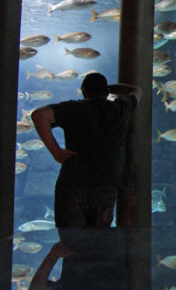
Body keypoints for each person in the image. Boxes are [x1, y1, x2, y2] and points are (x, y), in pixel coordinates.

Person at [31, 73, 141, 228]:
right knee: (98, 239)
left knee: (71, 240)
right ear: (106, 92)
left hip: (73, 181)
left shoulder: (74, 108)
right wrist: (109, 88)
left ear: (84, 91)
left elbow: (39, 115)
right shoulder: (120, 109)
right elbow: (136, 91)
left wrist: (55, 151)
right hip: (106, 184)